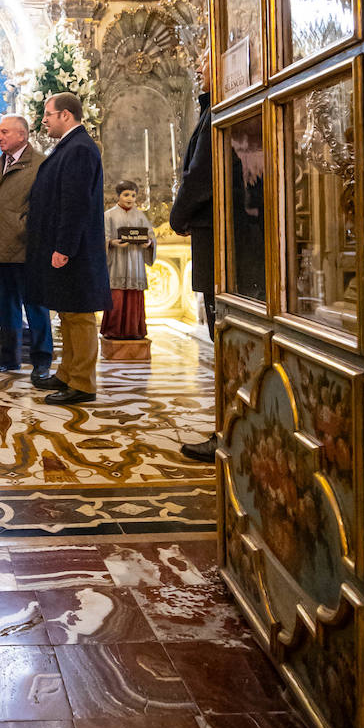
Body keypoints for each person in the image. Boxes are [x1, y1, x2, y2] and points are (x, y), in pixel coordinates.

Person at [26, 92, 111, 404]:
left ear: (66, 115)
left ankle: (83, 383)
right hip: (67, 246)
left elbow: (75, 204)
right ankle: (67, 373)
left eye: (48, 114)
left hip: (75, 250)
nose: (44, 121)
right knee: (68, 312)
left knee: (79, 315)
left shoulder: (79, 149)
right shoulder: (70, 146)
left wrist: (64, 247)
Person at [0, 113, 53, 375]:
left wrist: (20, 228)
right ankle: (9, 358)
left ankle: (42, 360)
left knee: (35, 305)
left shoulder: (40, 165)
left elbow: (43, 209)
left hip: (26, 247)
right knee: (7, 307)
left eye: (5, 132)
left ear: (22, 135)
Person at [169, 51, 216, 463]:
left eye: (205, 61)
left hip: (216, 235)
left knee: (223, 330)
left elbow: (199, 175)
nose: (199, 68)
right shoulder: (212, 109)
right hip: (214, 233)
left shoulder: (216, 113)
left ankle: (228, 428)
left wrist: (178, 215)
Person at [102, 180, 157, 339]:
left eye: (133, 195)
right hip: (117, 262)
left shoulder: (140, 215)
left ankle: (134, 331)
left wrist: (149, 243)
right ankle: (113, 331)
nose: (130, 198)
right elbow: (102, 237)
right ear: (118, 196)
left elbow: (150, 236)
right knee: (116, 298)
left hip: (135, 262)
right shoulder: (108, 215)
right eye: (126, 194)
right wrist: (111, 243)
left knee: (134, 297)